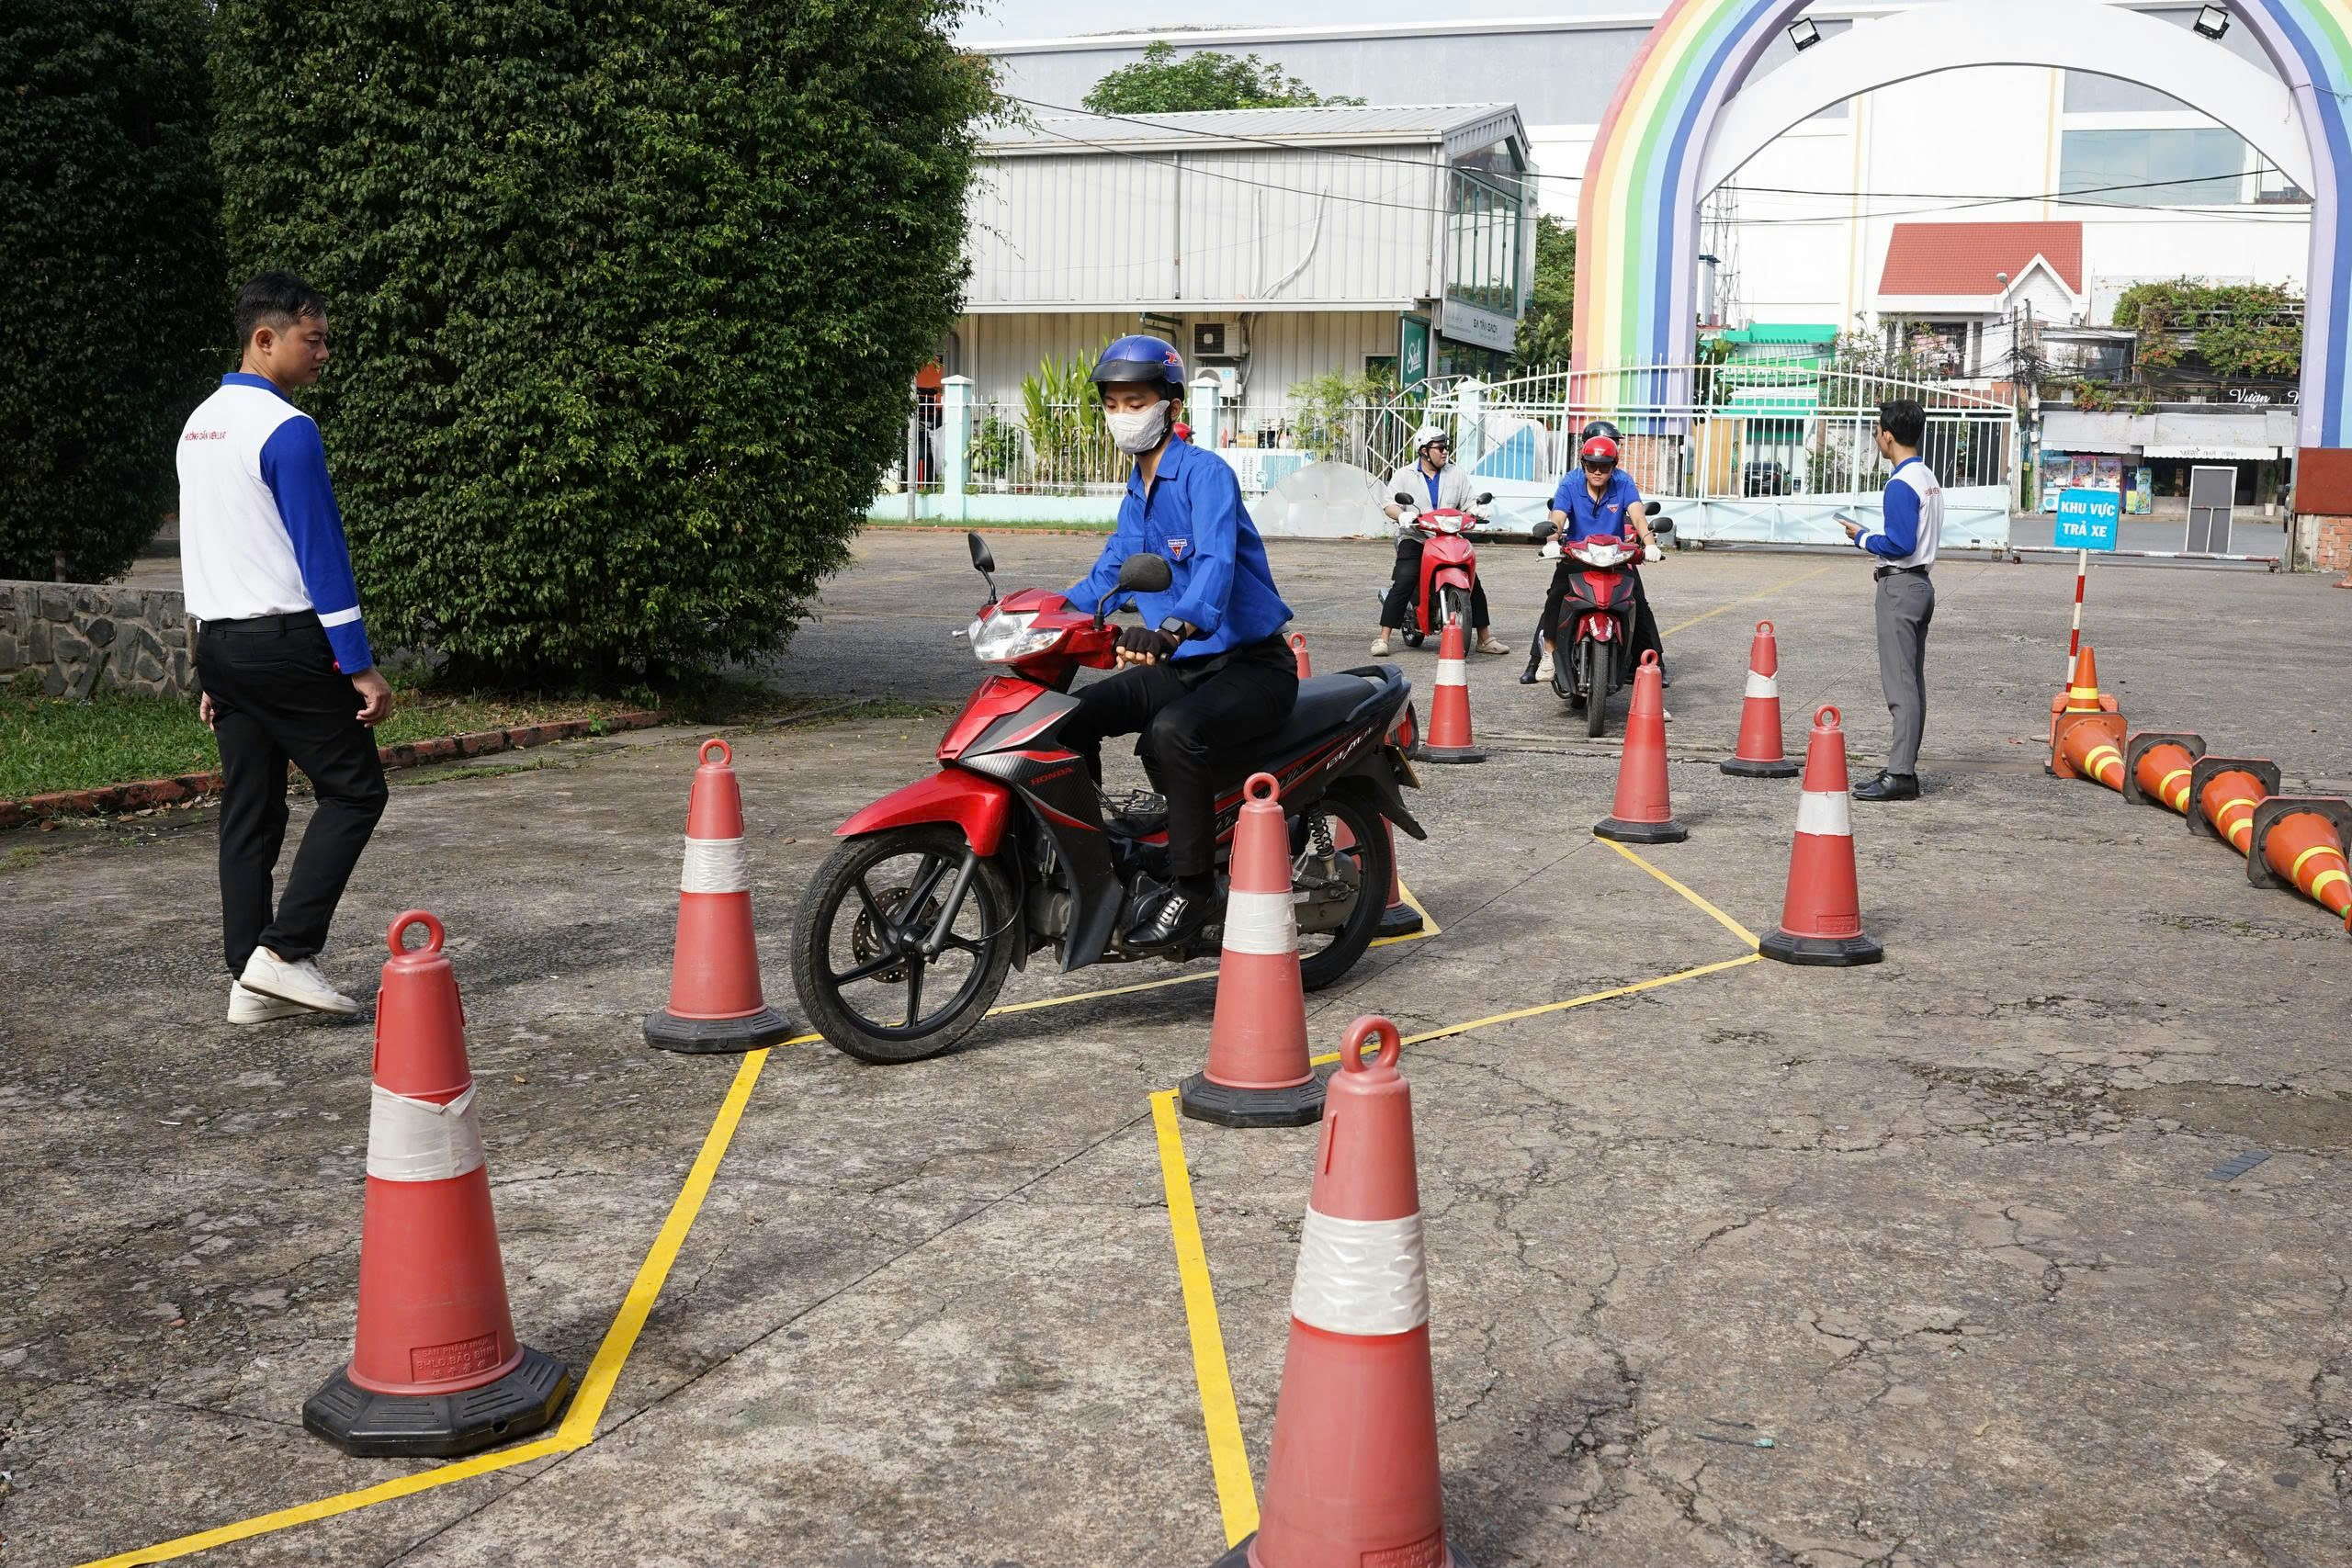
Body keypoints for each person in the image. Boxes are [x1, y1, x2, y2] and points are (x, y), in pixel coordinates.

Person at [180, 271, 391, 1022]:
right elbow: (320, 552)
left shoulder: (198, 425)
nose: (324, 352)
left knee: (250, 808)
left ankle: (249, 979)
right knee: (357, 790)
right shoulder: (287, 428)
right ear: (264, 339)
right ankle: (286, 950)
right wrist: (358, 663)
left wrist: (209, 663)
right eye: (314, 338)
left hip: (222, 642)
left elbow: (204, 547)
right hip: (285, 642)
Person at [1059, 336, 1299, 950]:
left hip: (1251, 665)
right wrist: (1040, 615)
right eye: (1112, 403)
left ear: (1171, 404)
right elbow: (1108, 575)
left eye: (1135, 401)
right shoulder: (1136, 491)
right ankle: (1094, 859)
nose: (1122, 415)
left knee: (1171, 732)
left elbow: (1216, 566)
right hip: (1188, 665)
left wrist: (1171, 629)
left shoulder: (1205, 474)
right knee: (1069, 718)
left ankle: (1195, 889)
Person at [1842, 399, 1940, 802]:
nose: (1878, 439)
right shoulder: (1926, 476)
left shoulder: (1900, 483)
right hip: (1920, 585)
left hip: (1900, 587)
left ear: (1887, 435)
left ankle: (1900, 774)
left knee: (1900, 688)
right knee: (1911, 683)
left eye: (1878, 432)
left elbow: (1900, 544)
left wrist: (1862, 537)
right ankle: (1903, 767)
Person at [1537, 429, 1666, 694]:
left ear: (1613, 466)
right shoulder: (1570, 482)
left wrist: (1650, 544)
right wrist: (1552, 541)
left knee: (1637, 604)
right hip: (1577, 554)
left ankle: (1645, 664)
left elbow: (1638, 516)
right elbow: (1557, 516)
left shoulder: (1623, 482)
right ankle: (1548, 654)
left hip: (1615, 556)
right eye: (1592, 465)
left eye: (1604, 467)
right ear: (1583, 463)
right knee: (1556, 595)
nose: (1597, 472)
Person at [1371, 424, 1508, 657]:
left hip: (1448, 537)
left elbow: (1468, 502)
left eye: (1446, 447)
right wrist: (1401, 515)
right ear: (1424, 451)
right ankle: (1383, 638)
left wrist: (1476, 510)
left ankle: (1485, 638)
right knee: (1405, 578)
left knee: (1474, 582)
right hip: (1416, 537)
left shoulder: (1456, 474)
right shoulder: (1405, 475)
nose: (1445, 452)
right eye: (1440, 448)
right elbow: (1389, 504)